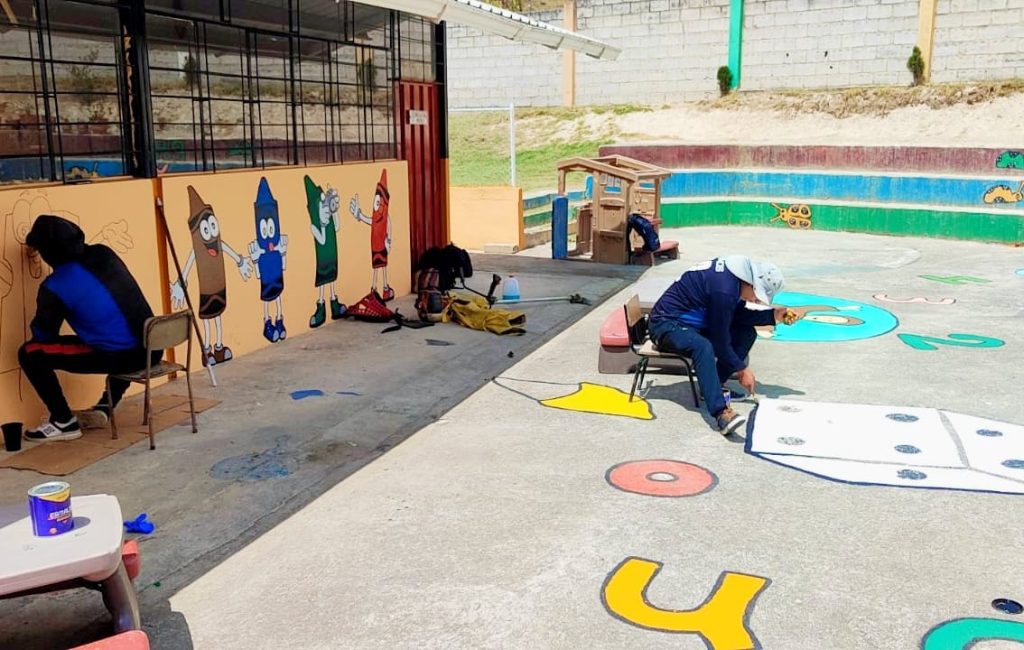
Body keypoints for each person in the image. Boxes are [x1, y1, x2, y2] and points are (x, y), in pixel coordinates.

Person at [18, 215, 158, 441]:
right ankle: (104, 408)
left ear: (45, 253)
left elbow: (43, 336)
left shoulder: (56, 285)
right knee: (117, 331)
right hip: (152, 344)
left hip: (124, 356)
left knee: (30, 352)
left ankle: (63, 421)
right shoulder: (105, 253)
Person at [648, 255, 801, 435]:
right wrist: (741, 369)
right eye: (758, 294)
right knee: (703, 346)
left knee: (746, 332)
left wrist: (773, 316)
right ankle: (721, 413)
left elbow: (734, 315)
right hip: (665, 325)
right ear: (751, 282)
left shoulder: (730, 280)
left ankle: (713, 387)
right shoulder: (724, 290)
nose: (757, 300)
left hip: (688, 324)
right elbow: (720, 340)